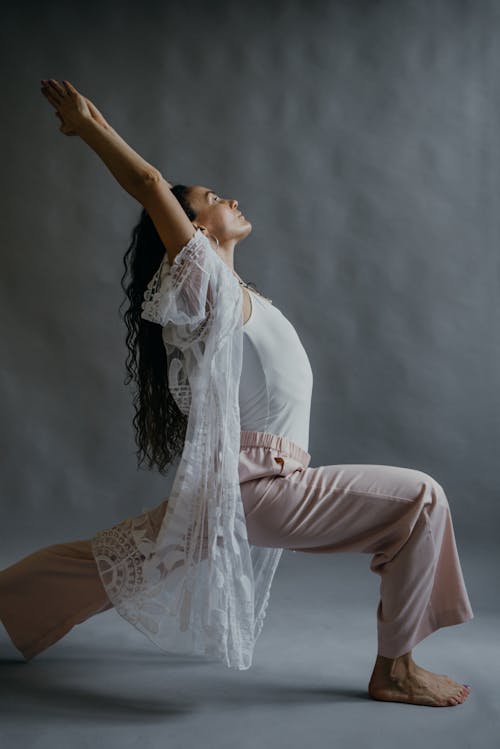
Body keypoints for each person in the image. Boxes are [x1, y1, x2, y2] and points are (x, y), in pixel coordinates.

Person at [0, 79, 473, 708]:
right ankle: (396, 669)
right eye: (213, 199)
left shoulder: (235, 292)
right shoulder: (203, 289)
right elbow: (148, 186)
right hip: (259, 488)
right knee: (422, 498)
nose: (231, 199)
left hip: (233, 486)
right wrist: (92, 128)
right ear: (192, 227)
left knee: (116, 560)